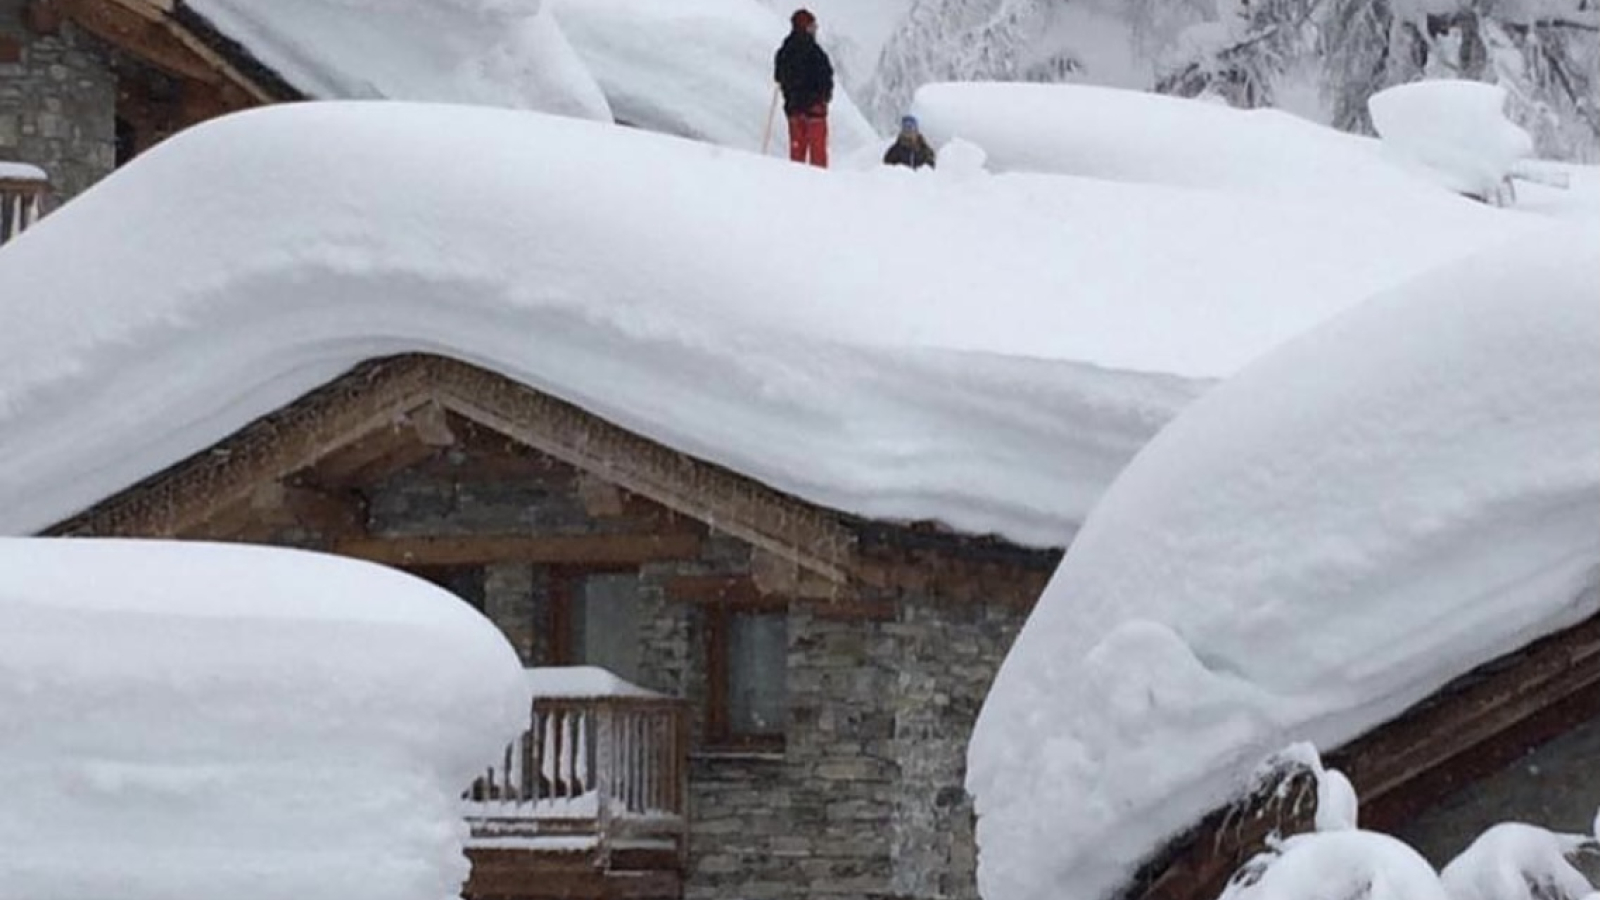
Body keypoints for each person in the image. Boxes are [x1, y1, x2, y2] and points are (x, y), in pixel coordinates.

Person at [774, 9, 833, 168]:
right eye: (812, 27)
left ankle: (796, 182)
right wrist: (825, 97)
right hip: (815, 111)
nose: (814, 31)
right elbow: (826, 77)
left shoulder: (784, 51)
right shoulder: (816, 53)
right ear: (806, 27)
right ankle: (819, 185)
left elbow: (778, 77)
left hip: (794, 109)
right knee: (817, 155)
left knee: (797, 152)